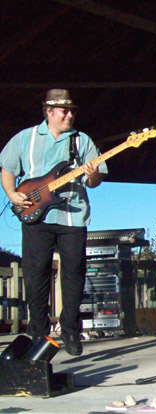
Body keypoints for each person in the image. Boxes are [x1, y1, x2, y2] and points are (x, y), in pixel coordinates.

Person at [0, 89, 107, 356]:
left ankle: (70, 330)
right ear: (48, 111)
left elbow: (94, 182)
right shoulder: (25, 138)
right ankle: (39, 332)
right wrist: (12, 193)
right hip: (37, 215)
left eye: (72, 111)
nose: (70, 115)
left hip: (73, 216)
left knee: (74, 274)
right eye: (64, 111)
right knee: (36, 274)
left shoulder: (82, 140)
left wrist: (93, 174)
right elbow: (7, 169)